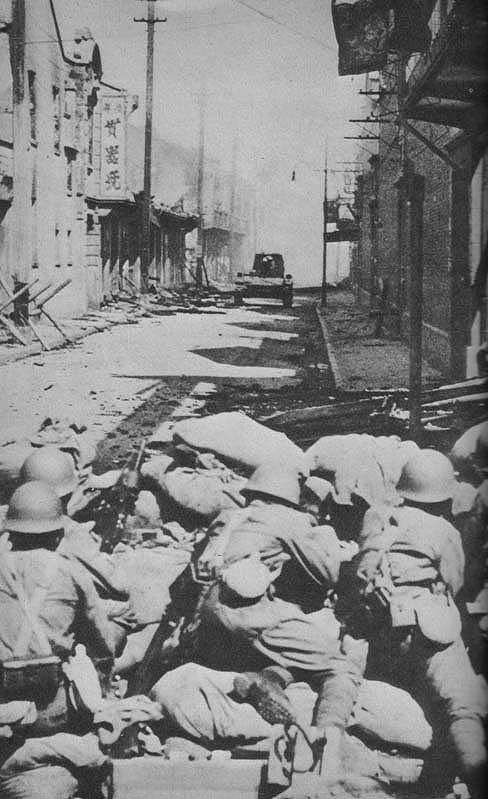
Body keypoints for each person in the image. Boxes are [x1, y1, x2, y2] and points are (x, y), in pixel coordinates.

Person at [189, 462, 366, 781]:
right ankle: (327, 740)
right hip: (251, 613)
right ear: (289, 495)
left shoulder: (233, 516)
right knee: (339, 667)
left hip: (210, 612)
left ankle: (266, 679)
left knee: (291, 652)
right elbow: (326, 574)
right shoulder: (288, 518)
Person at [339, 449, 486, 797]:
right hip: (423, 630)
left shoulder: (375, 518)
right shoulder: (443, 529)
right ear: (441, 494)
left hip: (376, 630)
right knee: (462, 706)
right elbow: (456, 584)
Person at [0, 481, 118, 732]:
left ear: (9, 533)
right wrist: (104, 687)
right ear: (57, 535)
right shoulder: (70, 571)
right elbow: (101, 642)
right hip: (51, 708)